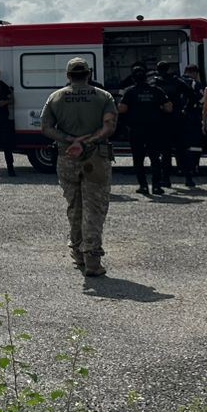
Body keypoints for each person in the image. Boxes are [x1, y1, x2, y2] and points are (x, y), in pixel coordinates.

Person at [39, 58, 117, 278]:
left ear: (68, 75)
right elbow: (109, 126)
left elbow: (45, 127)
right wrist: (88, 141)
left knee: (75, 205)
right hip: (96, 158)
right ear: (89, 74)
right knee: (94, 207)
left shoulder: (56, 97)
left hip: (67, 157)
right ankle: (92, 258)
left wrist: (70, 140)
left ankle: (77, 251)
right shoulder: (103, 96)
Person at [117, 63, 168, 195]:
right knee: (155, 158)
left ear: (133, 78)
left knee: (138, 159)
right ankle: (156, 186)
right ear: (146, 77)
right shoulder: (156, 90)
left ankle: (143, 186)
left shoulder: (130, 92)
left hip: (136, 130)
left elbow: (122, 109)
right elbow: (168, 108)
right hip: (154, 129)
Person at [153, 61, 198, 188]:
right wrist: (186, 109)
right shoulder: (177, 81)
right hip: (178, 118)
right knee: (182, 151)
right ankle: (188, 178)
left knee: (165, 152)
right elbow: (192, 96)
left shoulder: (156, 83)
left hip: (162, 120)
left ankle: (166, 179)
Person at [180, 64, 207, 184]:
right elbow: (201, 99)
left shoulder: (178, 81)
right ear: (195, 73)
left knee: (181, 145)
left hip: (179, 118)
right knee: (195, 145)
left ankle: (181, 168)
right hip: (193, 118)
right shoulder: (195, 83)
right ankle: (194, 167)